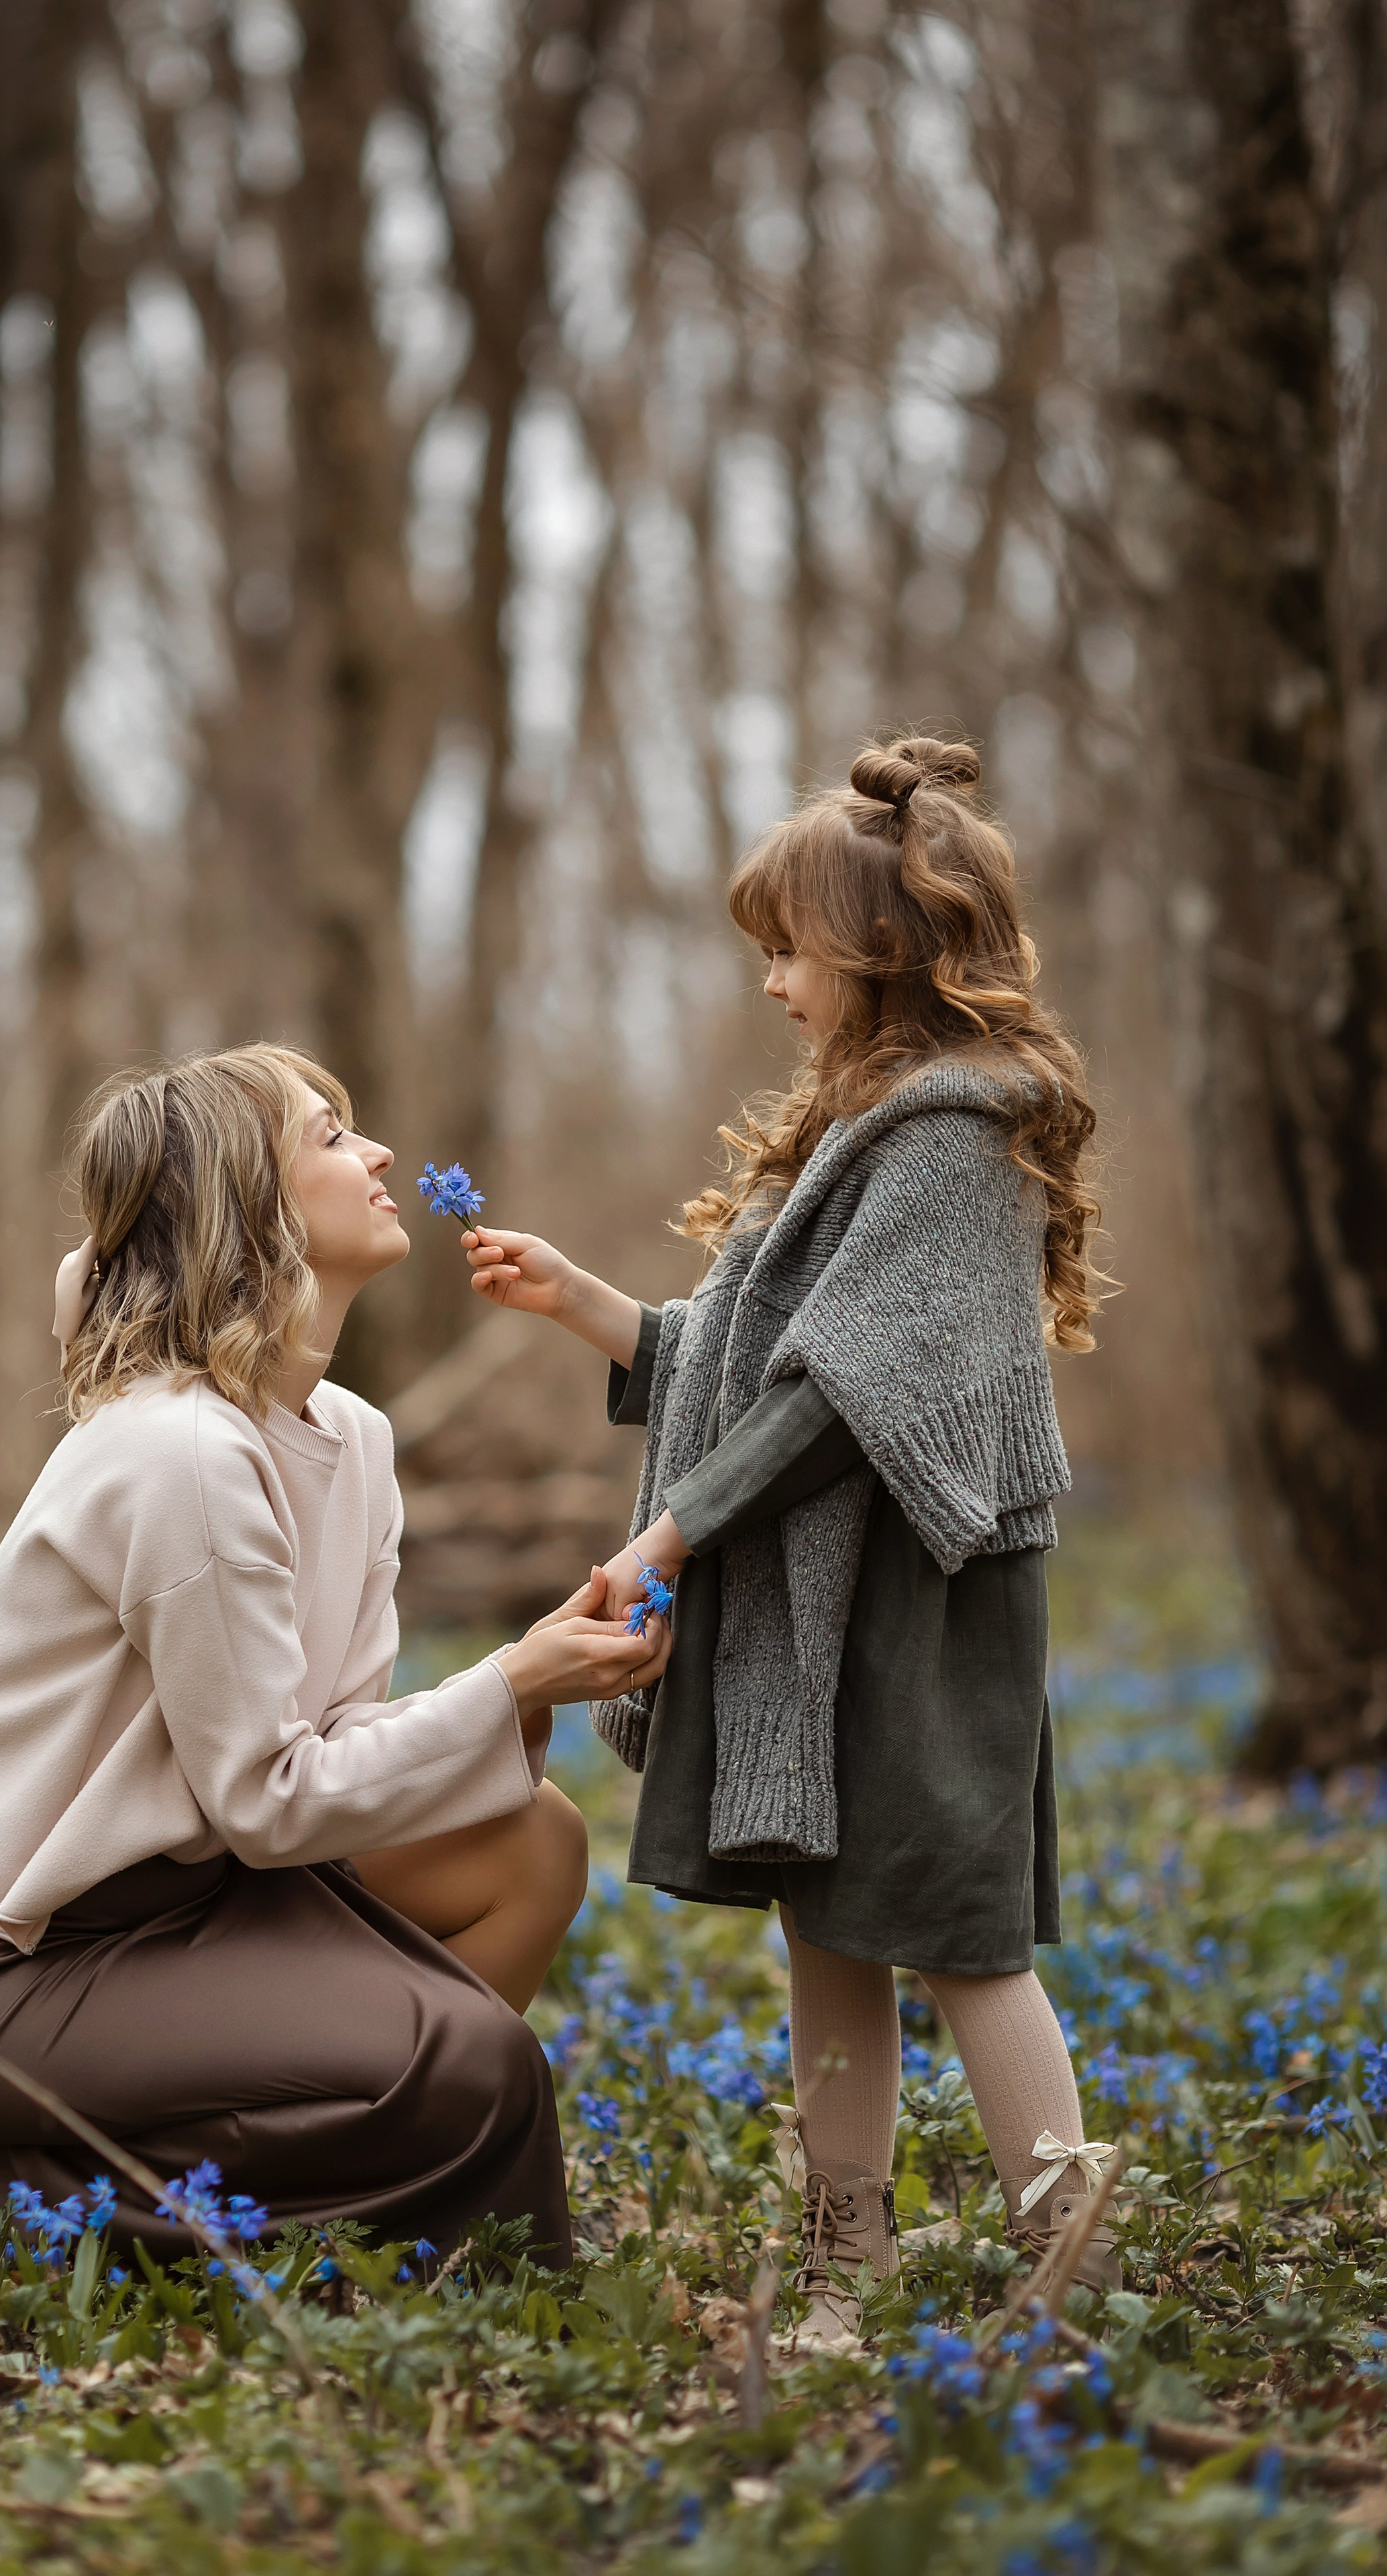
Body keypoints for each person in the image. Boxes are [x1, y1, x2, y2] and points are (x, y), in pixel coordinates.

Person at [461, 736, 1117, 2339]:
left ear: (880, 947)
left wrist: (668, 1538)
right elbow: (752, 1358)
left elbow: (845, 1397)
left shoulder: (963, 1133)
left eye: (787, 950)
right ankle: (846, 2262)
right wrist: (588, 1310)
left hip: (925, 1585)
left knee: (947, 1919)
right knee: (821, 1914)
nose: (770, 984)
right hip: (828, 1582)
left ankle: (1063, 2223)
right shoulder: (863, 1122)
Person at [0, 1044, 668, 2265]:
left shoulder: (350, 1437)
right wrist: (516, 1678)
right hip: (3, 1971)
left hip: (205, 1893)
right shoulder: (177, 1450)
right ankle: (19, 2200)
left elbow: (329, 1749)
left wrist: (531, 1675)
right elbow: (267, 1801)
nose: (383, 1152)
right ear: (250, 1205)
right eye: (332, 1136)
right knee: (479, 2068)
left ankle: (303, 2156)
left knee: (535, 1843)